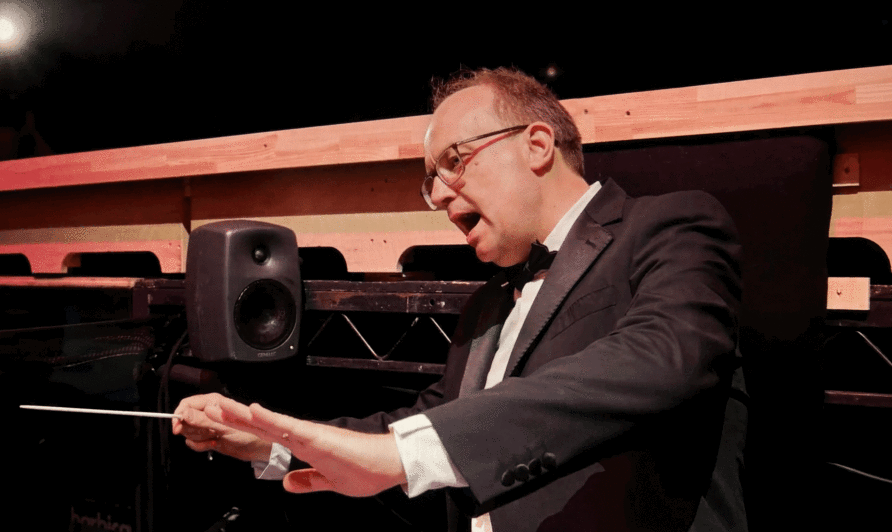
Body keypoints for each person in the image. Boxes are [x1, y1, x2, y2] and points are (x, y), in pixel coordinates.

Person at [174, 67, 748, 531]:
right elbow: (424, 423)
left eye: (454, 161)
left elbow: (661, 358)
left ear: (537, 145)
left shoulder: (672, 225)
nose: (441, 196)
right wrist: (273, 441)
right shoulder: (486, 302)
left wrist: (407, 453)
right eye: (431, 180)